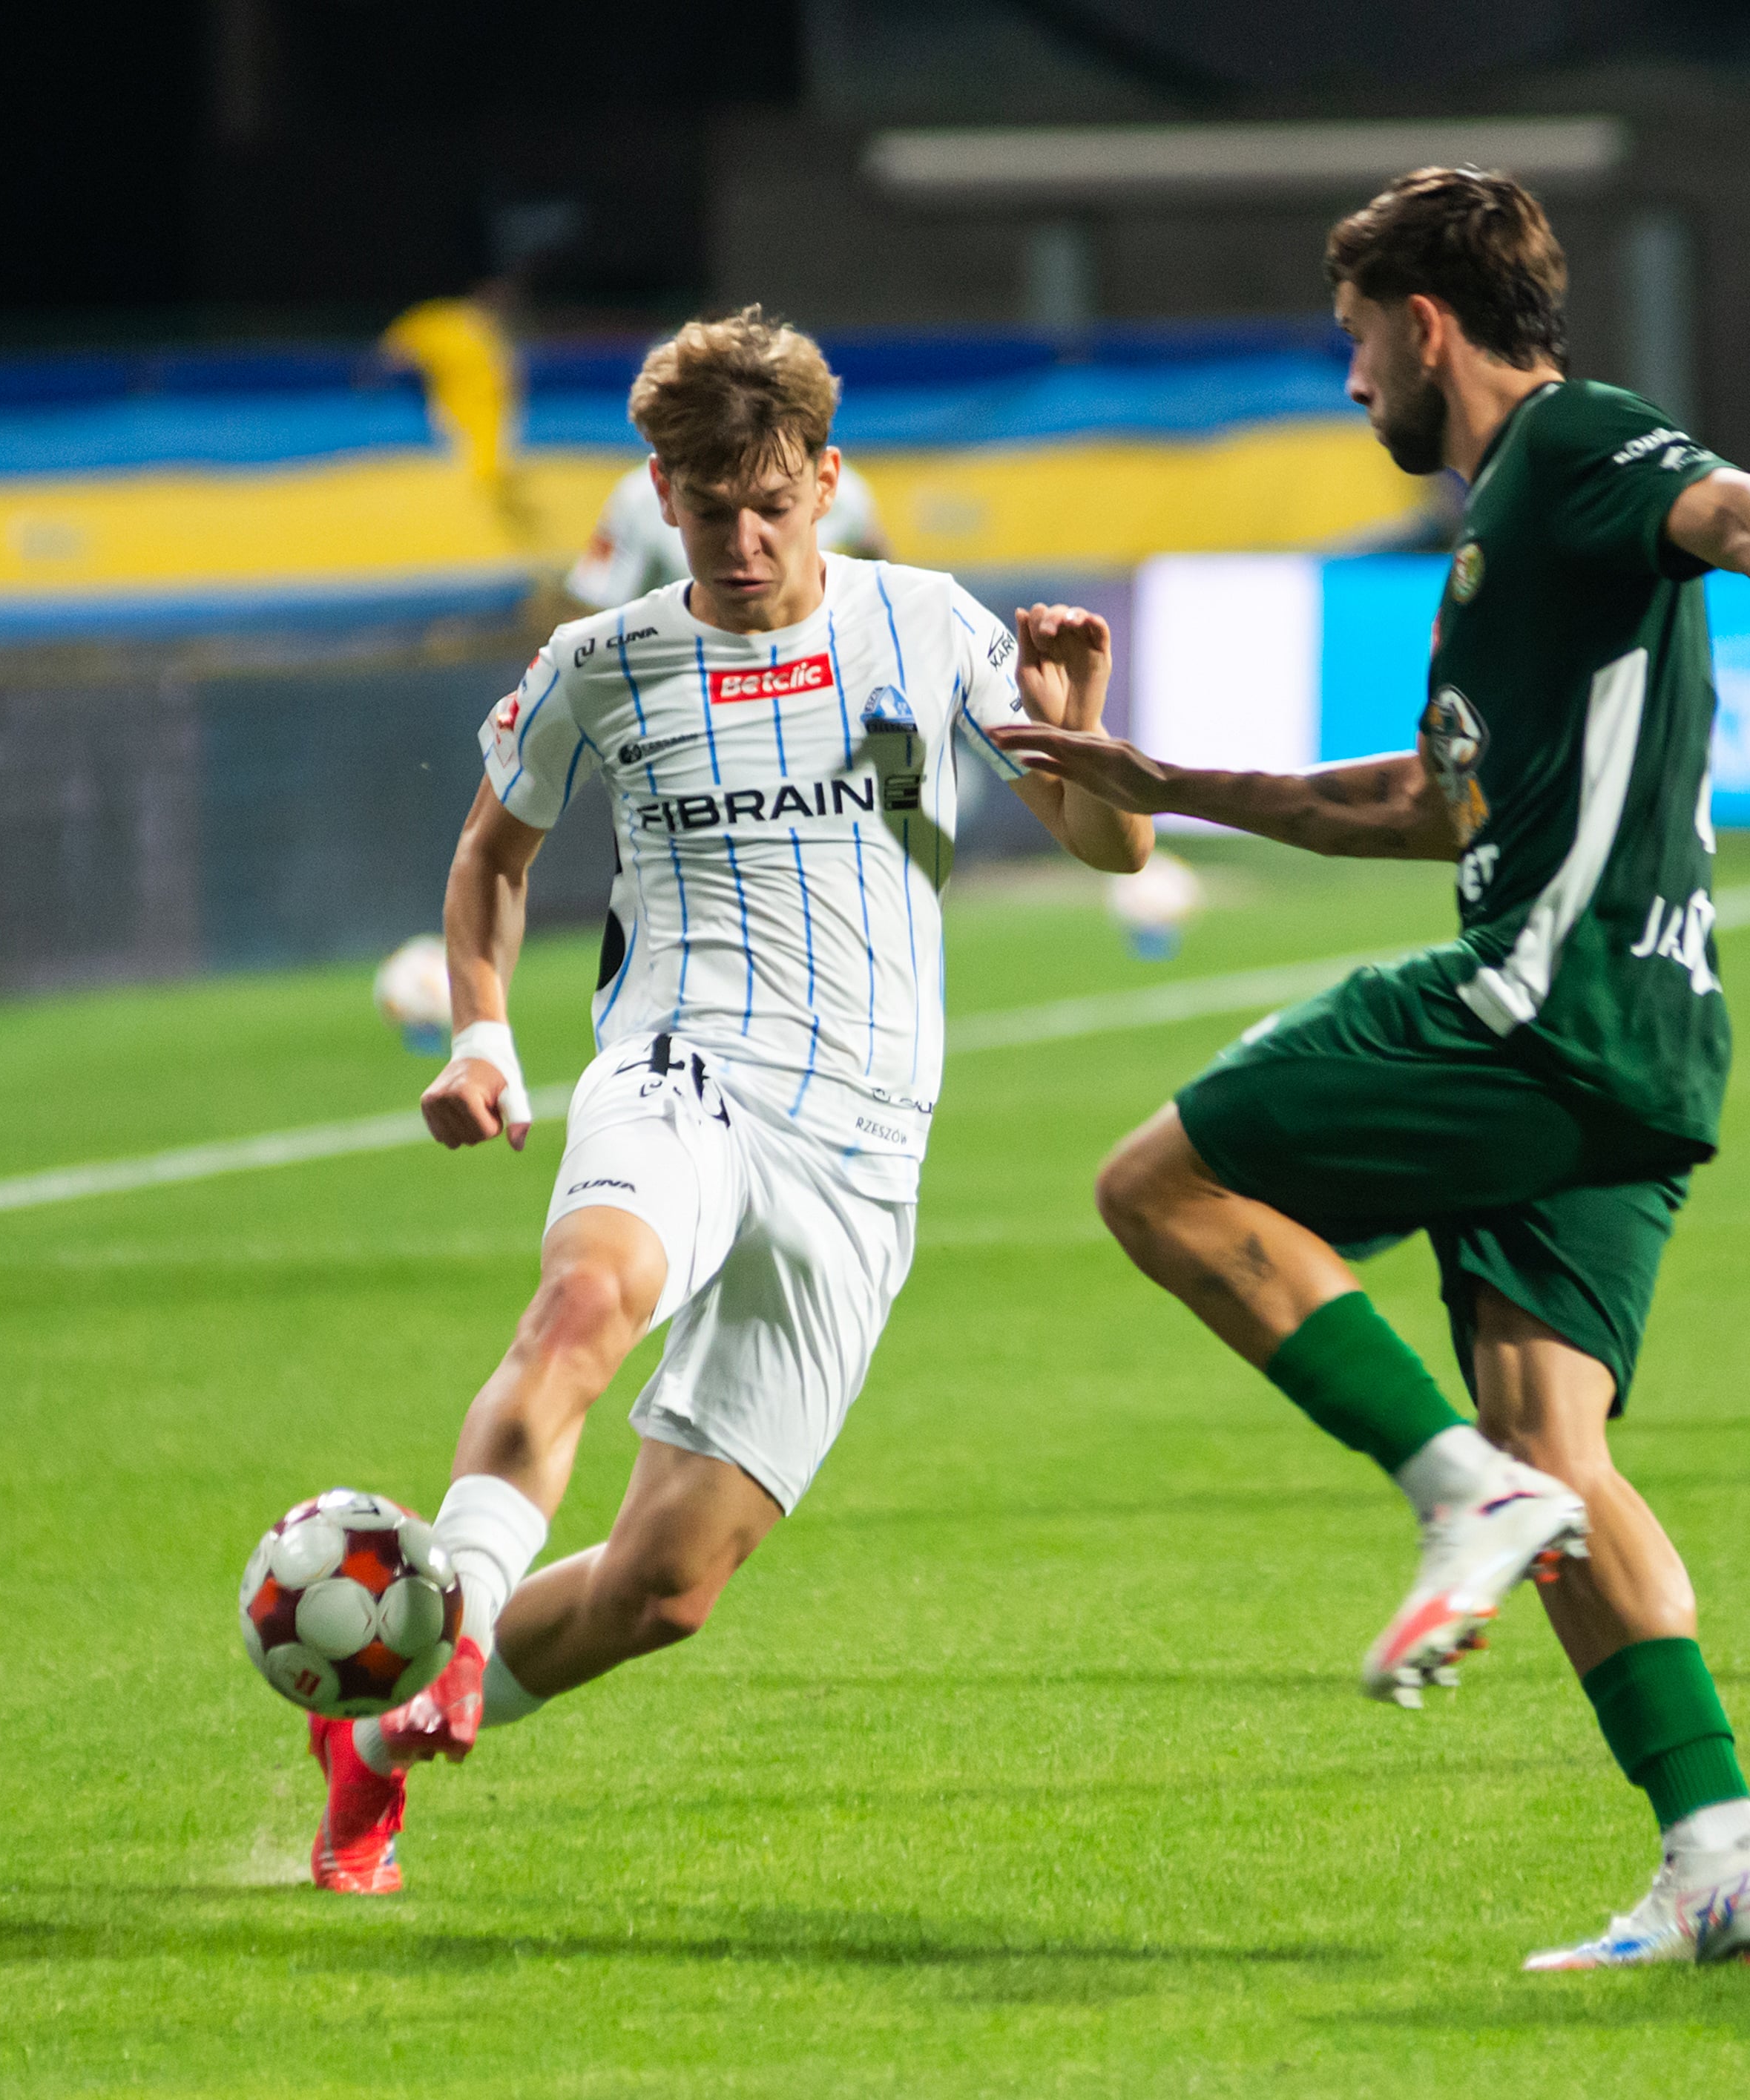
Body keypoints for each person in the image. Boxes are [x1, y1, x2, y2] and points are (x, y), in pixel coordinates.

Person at [991, 166, 1750, 1969]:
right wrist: (1164, 783)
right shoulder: (1501, 550)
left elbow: (1724, 507)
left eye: (1353, 344)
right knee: (1561, 1446)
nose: (1347, 384)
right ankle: (1719, 1856)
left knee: (1158, 1184)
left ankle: (1447, 1486)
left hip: (1542, 1004)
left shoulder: (1569, 444)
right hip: (1644, 1047)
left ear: (1424, 325)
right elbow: (1417, 803)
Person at [302, 306, 1149, 1894]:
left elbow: (1115, 850)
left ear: (826, 480)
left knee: (664, 1586)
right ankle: (458, 1620)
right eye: (709, 512)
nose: (745, 543)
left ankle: (376, 1740)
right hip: (678, 1075)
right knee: (582, 1301)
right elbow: (493, 855)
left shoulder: (927, 626)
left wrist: (1087, 741)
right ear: (661, 496)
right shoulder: (601, 662)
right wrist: (484, 1039)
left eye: (770, 505)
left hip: (863, 1149)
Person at [568, 453, 888, 611]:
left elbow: (878, 569)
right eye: (710, 513)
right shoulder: (639, 498)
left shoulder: (841, 490)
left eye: (776, 509)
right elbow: (592, 605)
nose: (744, 546)